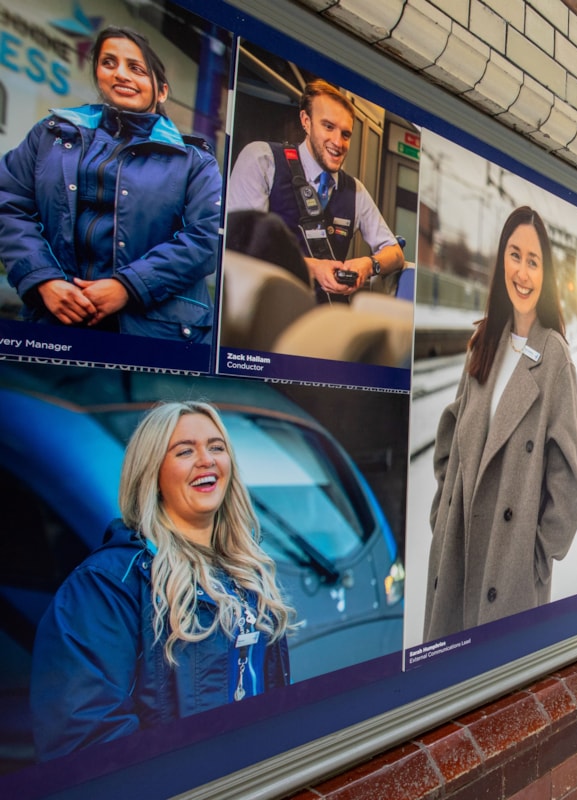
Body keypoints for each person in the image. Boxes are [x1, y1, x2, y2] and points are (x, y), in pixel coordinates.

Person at [30, 402, 292, 760]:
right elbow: (86, 741)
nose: (207, 459)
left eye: (216, 447)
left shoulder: (246, 571)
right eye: (185, 451)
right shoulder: (105, 585)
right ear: (151, 474)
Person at [0, 27, 221, 343]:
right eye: (109, 63)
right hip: (54, 326)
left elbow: (207, 237)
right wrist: (43, 279)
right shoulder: (48, 135)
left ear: (161, 91)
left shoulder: (195, 160)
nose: (121, 74)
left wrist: (129, 286)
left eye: (136, 68)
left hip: (160, 336)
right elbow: (9, 204)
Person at [426, 206, 577, 640]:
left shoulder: (555, 359)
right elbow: (448, 441)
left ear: (545, 274)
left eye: (534, 261)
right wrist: (444, 515)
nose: (523, 272)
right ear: (501, 261)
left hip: (508, 576)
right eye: (515, 255)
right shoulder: (484, 343)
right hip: (457, 555)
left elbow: (566, 486)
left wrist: (531, 561)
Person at [225, 79, 405, 303]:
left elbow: (395, 253)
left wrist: (368, 265)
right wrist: (314, 268)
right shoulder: (263, 159)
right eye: (328, 127)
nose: (338, 142)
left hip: (326, 324)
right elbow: (241, 248)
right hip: (267, 318)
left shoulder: (355, 191)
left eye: (346, 134)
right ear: (306, 122)